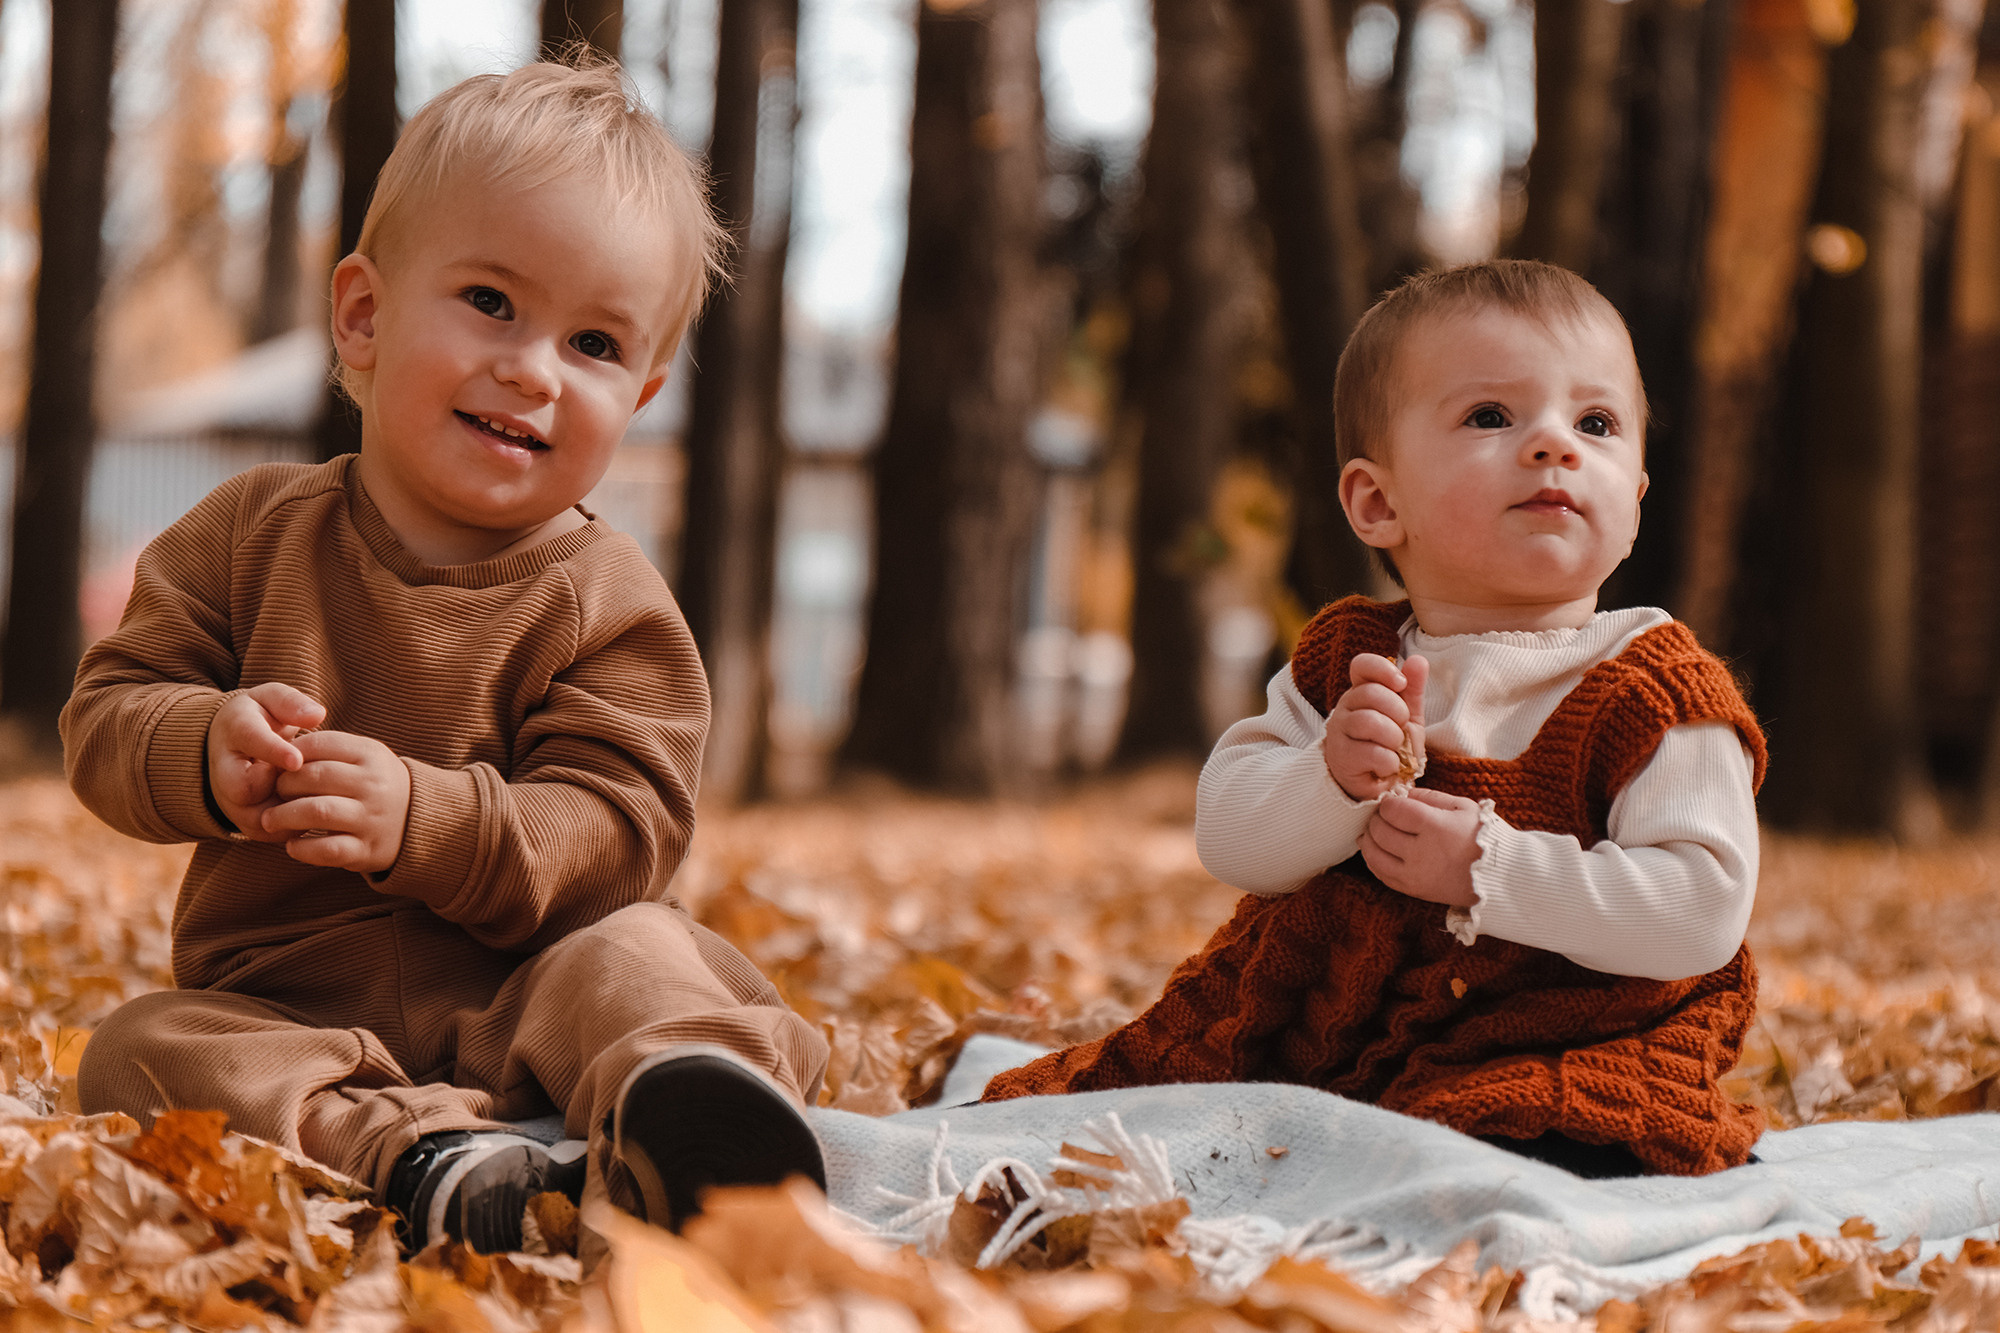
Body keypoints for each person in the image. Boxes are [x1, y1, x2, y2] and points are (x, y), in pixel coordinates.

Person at [62, 58, 828, 1254]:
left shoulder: (607, 600)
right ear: (362, 314)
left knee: (639, 956)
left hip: (538, 991)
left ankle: (696, 1115)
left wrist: (429, 818)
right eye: (489, 301)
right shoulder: (247, 535)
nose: (533, 369)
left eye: (593, 343)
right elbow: (106, 716)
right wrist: (201, 747)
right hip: (297, 1010)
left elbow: (619, 831)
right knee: (139, 1048)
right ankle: (423, 1159)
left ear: (640, 394)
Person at [986, 260, 1767, 1177]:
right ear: (1377, 502)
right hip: (1313, 1027)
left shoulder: (1652, 688)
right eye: (1491, 416)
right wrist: (1326, 778)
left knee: (1526, 1145)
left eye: (1595, 424)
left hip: (1566, 1038)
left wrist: (1491, 868)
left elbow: (1702, 912)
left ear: (1633, 502)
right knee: (1106, 1121)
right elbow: (1232, 838)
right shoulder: (1348, 662)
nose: (1555, 444)